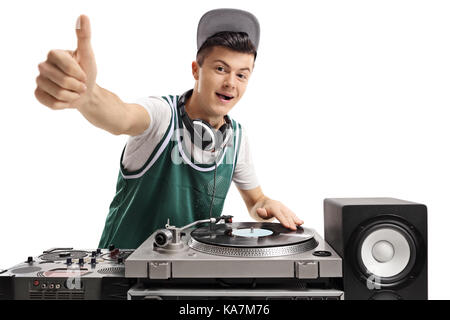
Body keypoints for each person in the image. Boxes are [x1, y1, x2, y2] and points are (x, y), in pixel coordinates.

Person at [34, 9, 304, 249]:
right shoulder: (162, 116)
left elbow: (255, 201)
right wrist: (87, 94)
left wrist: (264, 206)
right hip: (124, 276)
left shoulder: (237, 139)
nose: (231, 83)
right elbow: (121, 117)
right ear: (196, 70)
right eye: (221, 68)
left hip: (186, 280)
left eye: (242, 74)